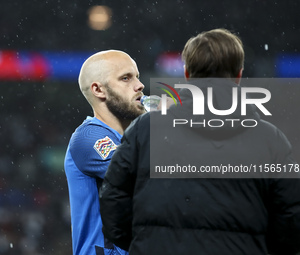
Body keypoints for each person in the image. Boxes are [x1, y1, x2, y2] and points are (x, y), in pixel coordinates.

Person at [99, 29, 300, 255]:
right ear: (239, 75)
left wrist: (145, 241)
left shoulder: (145, 130)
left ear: (186, 73)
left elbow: (112, 200)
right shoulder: (270, 139)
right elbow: (291, 219)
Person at [64, 50, 145, 255]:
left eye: (137, 76)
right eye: (126, 78)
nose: (139, 85)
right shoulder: (88, 137)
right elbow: (141, 176)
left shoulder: (137, 139)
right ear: (99, 90)